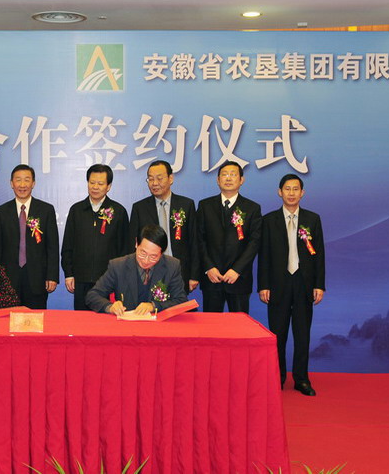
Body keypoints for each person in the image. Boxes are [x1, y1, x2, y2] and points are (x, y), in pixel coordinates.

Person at [258, 174, 325, 396]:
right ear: (280, 192)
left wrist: (319, 284)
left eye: (296, 189)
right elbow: (264, 255)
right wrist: (263, 285)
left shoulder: (312, 219)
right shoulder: (269, 220)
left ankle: (301, 379)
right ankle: (277, 377)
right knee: (278, 334)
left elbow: (319, 255)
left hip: (304, 283)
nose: (291, 193)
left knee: (302, 334)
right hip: (278, 284)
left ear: (302, 193)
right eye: (287, 189)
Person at [61, 164, 131, 310]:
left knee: (106, 320)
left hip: (109, 281)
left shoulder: (118, 211)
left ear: (108, 186)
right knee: (82, 320)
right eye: (92, 182)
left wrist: (120, 277)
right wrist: (69, 274)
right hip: (81, 280)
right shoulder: (76, 210)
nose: (95, 187)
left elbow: (125, 249)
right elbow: (68, 246)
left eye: (100, 183)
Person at [196, 161, 261, 313]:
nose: (228, 178)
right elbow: (199, 239)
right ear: (218, 180)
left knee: (239, 325)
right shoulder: (205, 206)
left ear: (241, 180)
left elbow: (254, 243)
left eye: (233, 174)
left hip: (239, 279)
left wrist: (237, 270)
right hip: (212, 278)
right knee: (212, 325)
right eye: (224, 175)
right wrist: (208, 267)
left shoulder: (252, 208)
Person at [0, 164, 59, 309]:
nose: (22, 185)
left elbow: (52, 246)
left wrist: (52, 276)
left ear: (33, 183)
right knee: (7, 319)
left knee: (35, 319)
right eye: (18, 180)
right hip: (8, 279)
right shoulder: (1, 212)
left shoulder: (46, 210)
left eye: (27, 180)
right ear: (11, 183)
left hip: (37, 278)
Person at [129, 160, 199, 293]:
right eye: (150, 179)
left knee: (177, 305)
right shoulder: (139, 208)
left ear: (170, 178)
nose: (154, 183)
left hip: (179, 271)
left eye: (159, 178)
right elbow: (132, 244)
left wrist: (194, 275)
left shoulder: (186, 205)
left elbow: (194, 241)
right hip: (148, 272)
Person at [86, 224, 187, 315]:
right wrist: (110, 307)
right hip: (126, 325)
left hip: (158, 325)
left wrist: (154, 306)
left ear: (161, 253)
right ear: (136, 244)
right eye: (143, 253)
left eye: (153, 256)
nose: (146, 260)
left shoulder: (172, 266)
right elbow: (92, 295)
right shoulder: (118, 266)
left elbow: (181, 301)